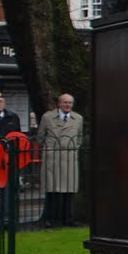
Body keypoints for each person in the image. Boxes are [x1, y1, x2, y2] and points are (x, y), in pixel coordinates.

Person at [36, 93, 84, 226]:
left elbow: (79, 137)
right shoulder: (47, 117)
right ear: (59, 103)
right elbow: (40, 137)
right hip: (52, 158)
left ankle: (68, 219)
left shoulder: (78, 118)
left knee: (69, 190)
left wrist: (72, 148)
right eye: (65, 102)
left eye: (70, 103)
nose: (67, 105)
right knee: (52, 190)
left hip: (69, 158)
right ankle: (51, 219)